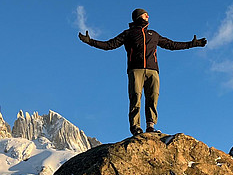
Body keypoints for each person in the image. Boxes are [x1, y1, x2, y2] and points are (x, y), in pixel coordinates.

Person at [79, 8, 206, 136]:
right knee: (135, 96)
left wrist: (192, 44)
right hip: (136, 70)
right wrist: (90, 41)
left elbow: (171, 45)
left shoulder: (154, 34)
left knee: (153, 96)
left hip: (153, 70)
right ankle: (135, 127)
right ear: (140, 16)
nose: (148, 16)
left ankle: (150, 125)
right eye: (146, 15)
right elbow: (109, 45)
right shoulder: (128, 33)